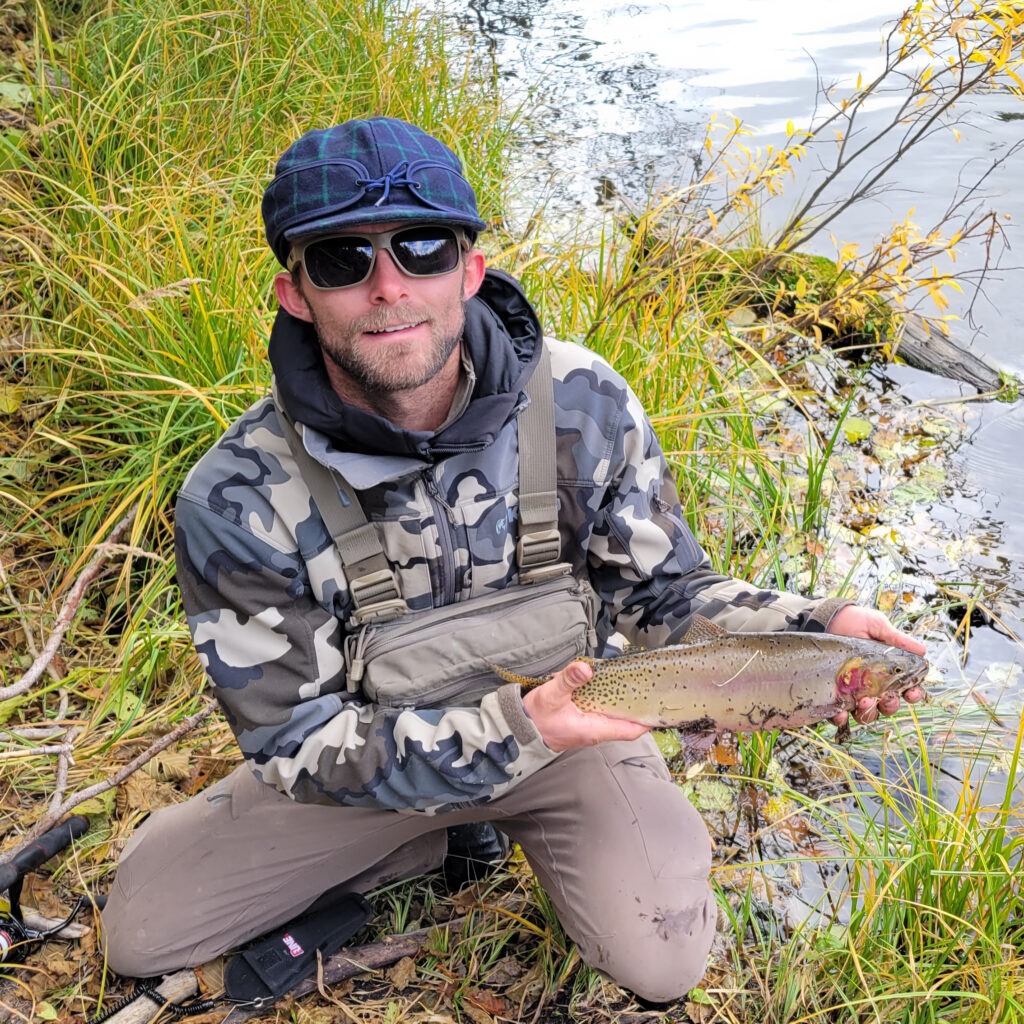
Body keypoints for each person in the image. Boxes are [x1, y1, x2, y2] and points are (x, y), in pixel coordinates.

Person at [100, 116, 925, 1001]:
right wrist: (516, 726)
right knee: (142, 934)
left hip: (582, 736)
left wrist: (819, 628)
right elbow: (296, 743)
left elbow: (667, 592)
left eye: (421, 248)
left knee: (663, 963)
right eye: (344, 259)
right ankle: (422, 839)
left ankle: (496, 827)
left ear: (470, 270)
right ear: (296, 293)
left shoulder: (583, 399)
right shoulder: (239, 494)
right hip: (374, 772)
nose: (388, 287)